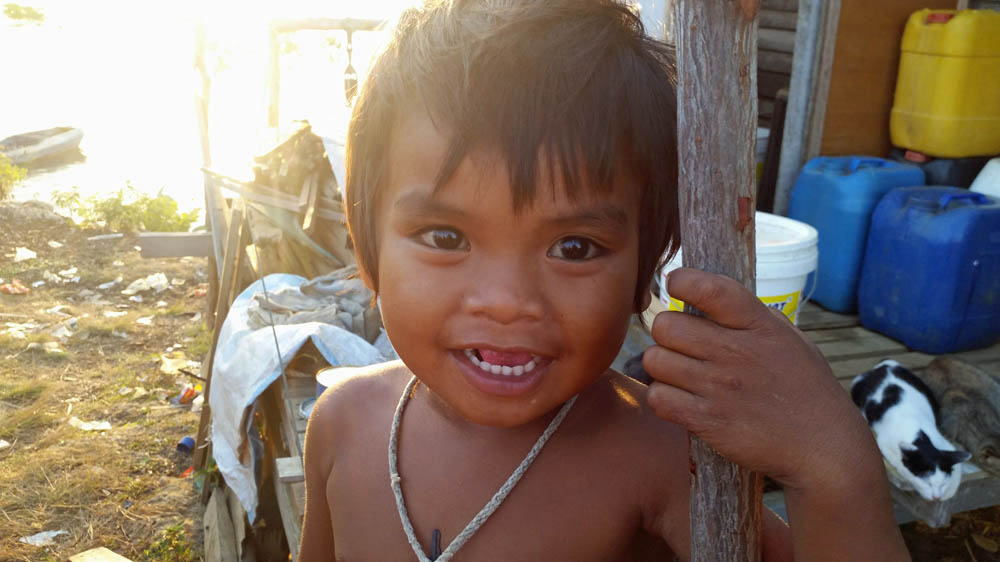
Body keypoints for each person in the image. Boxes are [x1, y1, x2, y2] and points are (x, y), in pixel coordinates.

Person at [298, 0, 911, 560]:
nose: (509, 303)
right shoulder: (342, 424)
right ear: (367, 243)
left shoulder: (665, 459)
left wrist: (834, 466)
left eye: (574, 247)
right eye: (445, 237)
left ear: (643, 274)